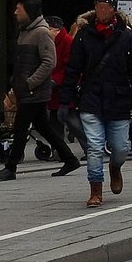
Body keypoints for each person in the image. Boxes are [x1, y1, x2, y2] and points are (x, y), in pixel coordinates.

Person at [59, 0, 132, 208]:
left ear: (114, 9)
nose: (100, 11)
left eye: (105, 7)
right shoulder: (84, 36)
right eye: (98, 6)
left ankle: (115, 167)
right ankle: (95, 189)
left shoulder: (127, 36)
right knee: (95, 146)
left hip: (119, 98)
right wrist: (64, 100)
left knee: (120, 148)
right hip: (92, 97)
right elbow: (73, 70)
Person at [0, 0, 80, 181]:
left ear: (28, 11)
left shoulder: (42, 33)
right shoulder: (24, 31)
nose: (15, 12)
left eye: (18, 9)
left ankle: (11, 167)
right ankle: (70, 159)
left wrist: (31, 82)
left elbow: (49, 62)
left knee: (21, 127)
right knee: (43, 127)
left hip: (34, 90)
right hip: (25, 89)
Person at [46, 15, 87, 159]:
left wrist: (56, 80)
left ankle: (89, 148)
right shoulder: (52, 42)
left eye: (48, 29)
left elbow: (71, 67)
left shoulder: (67, 41)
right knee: (54, 120)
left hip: (64, 88)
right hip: (55, 87)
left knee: (70, 119)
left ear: (55, 29)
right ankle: (58, 151)